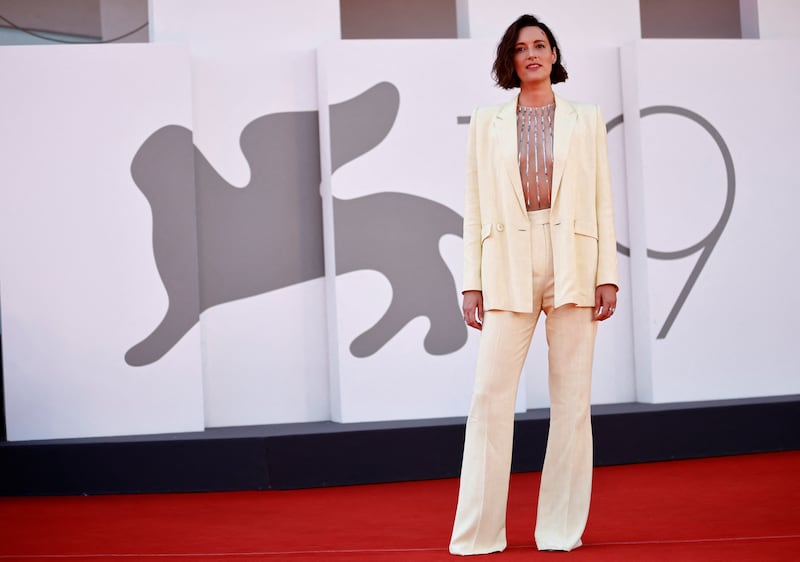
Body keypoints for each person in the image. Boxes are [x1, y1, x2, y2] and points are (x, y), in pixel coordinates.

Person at [450, 14, 619, 555]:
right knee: (489, 398)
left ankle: (559, 530)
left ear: (553, 54)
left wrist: (606, 275)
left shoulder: (586, 118)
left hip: (574, 257)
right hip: (506, 261)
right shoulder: (486, 121)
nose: (532, 54)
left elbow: (601, 200)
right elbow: (474, 207)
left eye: (540, 45)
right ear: (510, 59)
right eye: (521, 48)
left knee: (572, 401)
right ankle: (478, 534)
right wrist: (470, 281)